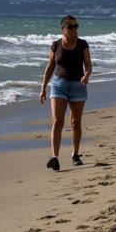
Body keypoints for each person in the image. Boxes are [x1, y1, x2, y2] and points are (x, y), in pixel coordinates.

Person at [38, 15, 92, 170]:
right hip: (59, 84)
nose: (74, 29)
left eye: (76, 26)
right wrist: (43, 88)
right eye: (71, 27)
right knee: (57, 121)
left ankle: (75, 154)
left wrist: (87, 75)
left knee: (75, 122)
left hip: (78, 85)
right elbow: (50, 67)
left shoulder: (82, 44)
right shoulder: (56, 45)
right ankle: (55, 158)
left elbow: (88, 65)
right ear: (63, 28)